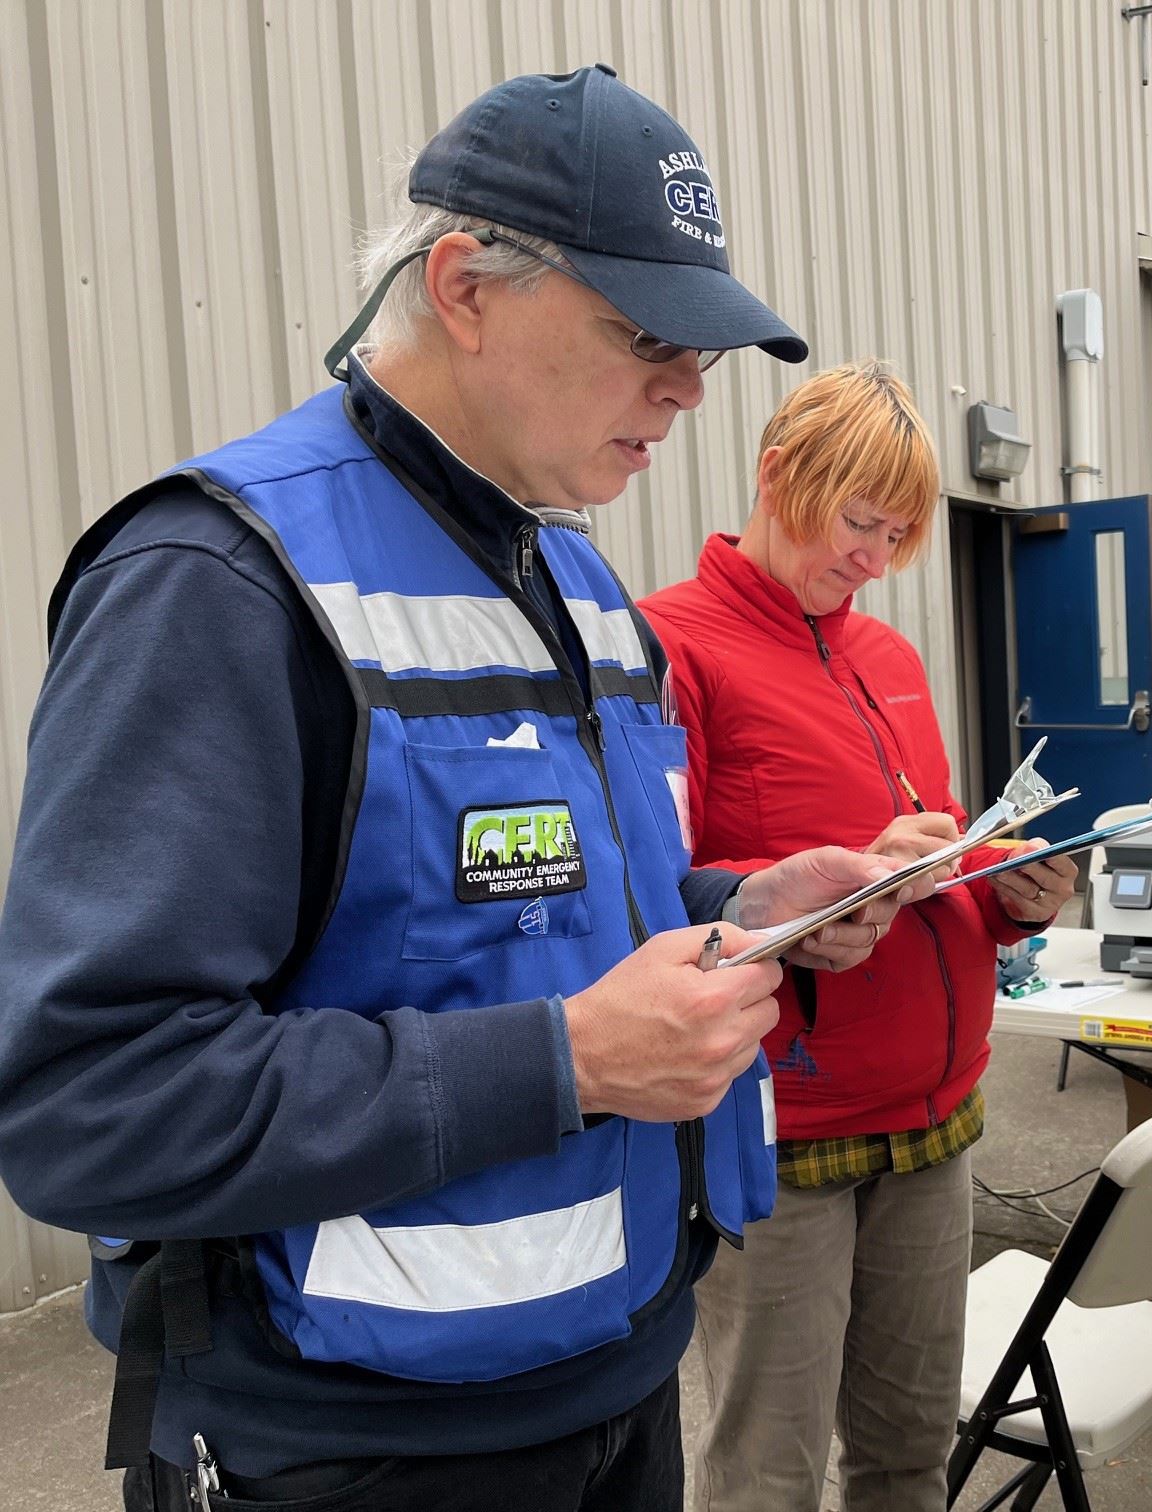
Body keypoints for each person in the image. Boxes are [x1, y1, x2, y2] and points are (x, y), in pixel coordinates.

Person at [0, 67, 909, 1512]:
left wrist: (744, 907)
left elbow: (546, 920)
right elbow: (92, 1105)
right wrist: (571, 1062)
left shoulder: (584, 584)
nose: (688, 387)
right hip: (351, 1446)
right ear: (464, 286)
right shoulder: (220, 584)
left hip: (617, 1381)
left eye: (704, 349)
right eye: (644, 334)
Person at [636, 360, 1080, 1511]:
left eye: (899, 536)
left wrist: (1005, 887)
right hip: (785, 1133)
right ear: (780, 476)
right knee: (765, 1478)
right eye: (859, 522)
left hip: (937, 1122)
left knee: (907, 1459)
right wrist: (774, 904)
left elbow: (932, 855)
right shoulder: (668, 650)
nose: (875, 561)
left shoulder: (888, 658)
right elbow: (645, 890)